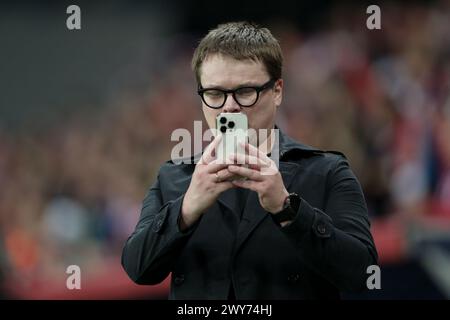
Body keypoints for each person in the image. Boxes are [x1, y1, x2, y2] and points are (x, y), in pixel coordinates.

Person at [121, 21, 378, 299]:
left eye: (245, 92)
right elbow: (138, 269)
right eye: (215, 94)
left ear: (277, 91)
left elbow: (364, 275)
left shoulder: (327, 172)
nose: (229, 106)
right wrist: (186, 209)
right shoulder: (173, 177)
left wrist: (288, 209)